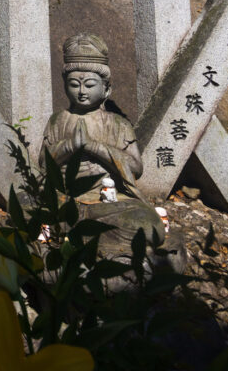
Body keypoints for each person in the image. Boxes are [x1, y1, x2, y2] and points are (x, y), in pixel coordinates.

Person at [39, 34, 167, 257]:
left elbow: (135, 167)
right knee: (24, 208)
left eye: (89, 84)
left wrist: (96, 148)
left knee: (148, 224)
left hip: (107, 202)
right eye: (74, 84)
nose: (81, 91)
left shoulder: (118, 124)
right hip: (64, 199)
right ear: (64, 85)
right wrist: (69, 147)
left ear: (107, 89)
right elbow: (43, 164)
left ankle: (79, 242)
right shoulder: (58, 120)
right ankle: (93, 242)